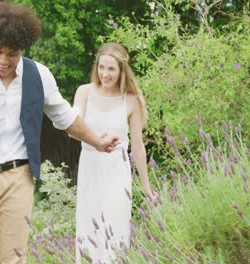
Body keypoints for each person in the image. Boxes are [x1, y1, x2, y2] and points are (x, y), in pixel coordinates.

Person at [0, 3, 120, 264]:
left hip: (18, 179)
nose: (3, 61)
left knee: (14, 260)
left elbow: (64, 117)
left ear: (23, 49)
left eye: (12, 54)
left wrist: (97, 141)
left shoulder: (39, 75)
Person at [73, 43, 158, 263]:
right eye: (102, 67)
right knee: (88, 231)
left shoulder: (131, 100)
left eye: (111, 69)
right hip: (89, 169)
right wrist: (96, 139)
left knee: (114, 230)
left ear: (121, 71)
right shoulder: (84, 92)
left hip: (117, 173)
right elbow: (73, 128)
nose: (105, 74)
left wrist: (147, 187)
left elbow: (137, 146)